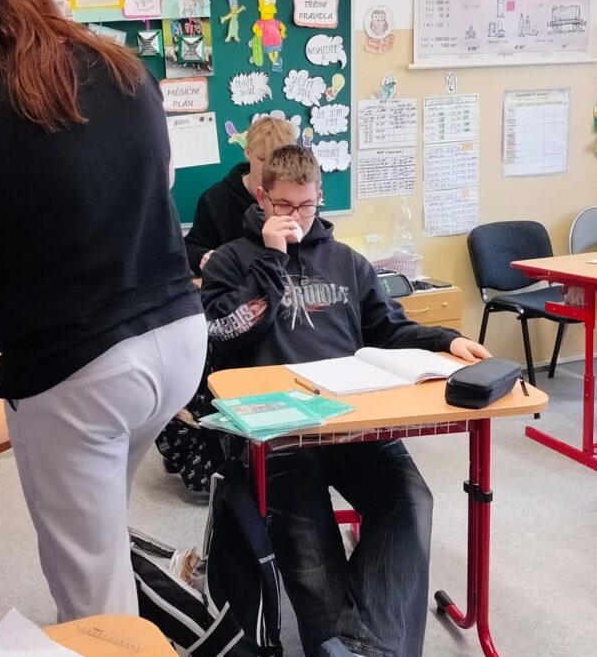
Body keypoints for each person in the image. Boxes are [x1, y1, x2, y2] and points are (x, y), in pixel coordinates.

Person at [0, 0, 206, 622]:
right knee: (102, 537)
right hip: (176, 337)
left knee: (91, 592)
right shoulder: (126, 69)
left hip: (79, 369)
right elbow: (158, 183)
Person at [201, 145, 490, 657]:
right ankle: (352, 645)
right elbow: (225, 332)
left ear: (320, 197)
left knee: (409, 501)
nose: (296, 217)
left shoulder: (348, 263)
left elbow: (388, 328)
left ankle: (360, 647)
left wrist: (445, 341)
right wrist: (272, 259)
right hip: (281, 435)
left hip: (354, 421)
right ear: (262, 198)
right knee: (306, 533)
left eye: (306, 206)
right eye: (284, 206)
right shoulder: (231, 260)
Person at [184, 116, 297, 275]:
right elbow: (189, 248)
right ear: (247, 152)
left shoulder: (299, 200)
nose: (270, 169)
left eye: (278, 162)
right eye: (263, 159)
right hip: (236, 283)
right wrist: (202, 257)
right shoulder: (215, 199)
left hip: (289, 283)